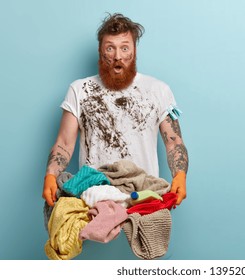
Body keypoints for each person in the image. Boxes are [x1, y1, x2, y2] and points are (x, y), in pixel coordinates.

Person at [42, 13, 188, 208]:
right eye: (110, 48)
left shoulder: (159, 90)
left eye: (124, 48)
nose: (117, 56)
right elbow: (64, 143)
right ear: (100, 51)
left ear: (134, 51)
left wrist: (179, 176)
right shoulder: (79, 89)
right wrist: (51, 175)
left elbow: (174, 142)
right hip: (93, 197)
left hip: (143, 196)